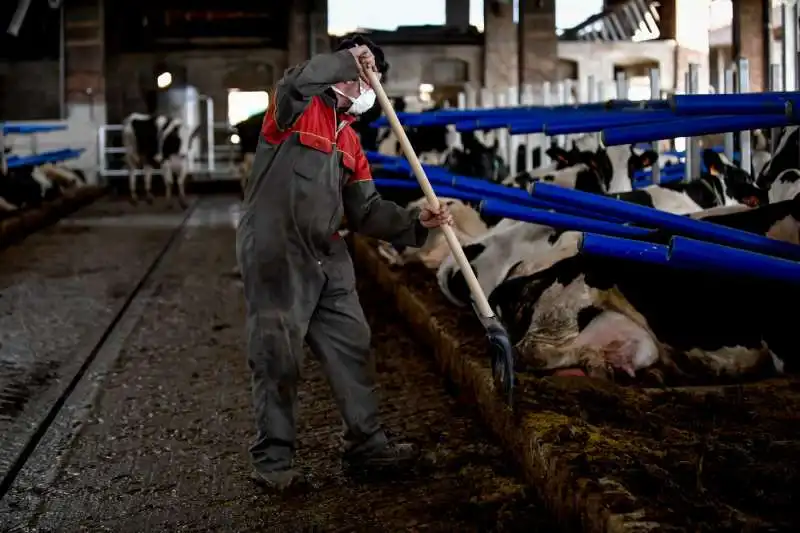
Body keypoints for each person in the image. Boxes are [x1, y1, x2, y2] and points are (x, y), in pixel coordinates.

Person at [235, 35, 453, 491]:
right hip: (279, 252)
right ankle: (274, 463)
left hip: (329, 254)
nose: (364, 86)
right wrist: (345, 60)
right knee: (278, 356)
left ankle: (366, 447)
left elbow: (367, 211)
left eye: (370, 78)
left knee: (353, 347)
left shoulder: (350, 140)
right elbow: (295, 82)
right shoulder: (293, 111)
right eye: (361, 75)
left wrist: (419, 220)